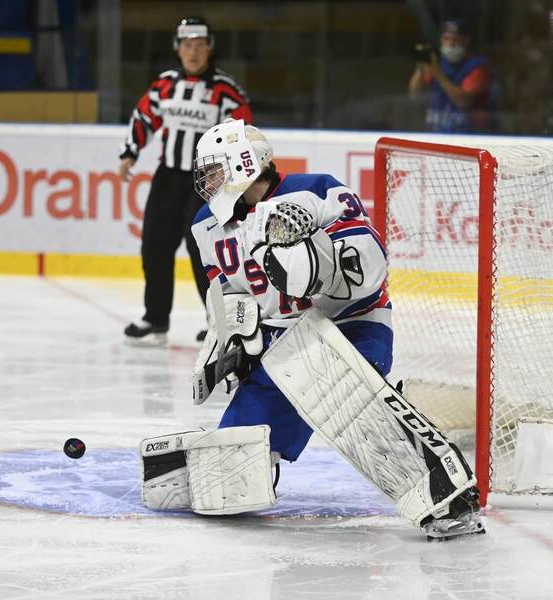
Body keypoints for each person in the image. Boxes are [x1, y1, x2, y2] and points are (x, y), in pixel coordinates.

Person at [137, 119, 485, 541]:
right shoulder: (205, 225)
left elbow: (371, 266)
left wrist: (317, 262)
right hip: (281, 345)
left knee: (349, 404)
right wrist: (234, 341)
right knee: (228, 472)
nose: (206, 181)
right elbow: (229, 294)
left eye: (213, 170)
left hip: (351, 326)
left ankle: (449, 496)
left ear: (242, 163)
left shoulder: (316, 189)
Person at [119, 16, 252, 346]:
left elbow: (242, 134)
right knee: (154, 245)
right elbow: (143, 117)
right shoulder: (164, 85)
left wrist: (232, 179)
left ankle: (217, 322)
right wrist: (130, 152)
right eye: (187, 45)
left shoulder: (226, 91)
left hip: (207, 181)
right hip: (167, 178)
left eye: (199, 45)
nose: (193, 52)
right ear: (177, 49)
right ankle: (155, 317)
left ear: (210, 48)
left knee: (203, 251)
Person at [408, 19, 495, 133]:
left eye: (455, 39)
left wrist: (438, 74)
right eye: (446, 39)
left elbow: (464, 101)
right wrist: (421, 66)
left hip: (468, 134)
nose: (451, 43)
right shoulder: (438, 63)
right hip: (436, 131)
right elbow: (415, 94)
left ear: (465, 40)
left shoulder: (477, 67)